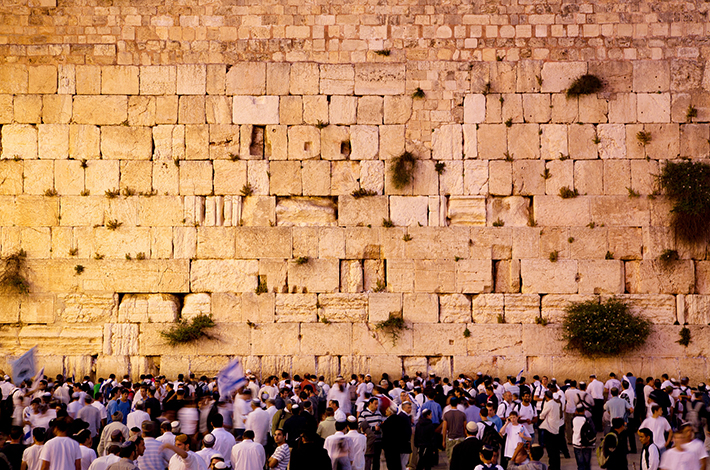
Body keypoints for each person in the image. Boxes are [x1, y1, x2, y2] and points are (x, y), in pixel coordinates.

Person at [539, 391, 563, 470]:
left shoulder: (549, 404)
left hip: (549, 429)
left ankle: (552, 466)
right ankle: (557, 466)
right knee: (556, 450)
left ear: (546, 396)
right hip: (556, 428)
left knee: (551, 450)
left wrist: (541, 416)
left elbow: (542, 415)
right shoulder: (556, 404)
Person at [441, 397, 467, 462]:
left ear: (450, 404)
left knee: (451, 458)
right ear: (457, 404)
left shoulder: (446, 414)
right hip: (460, 438)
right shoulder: (462, 415)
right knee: (460, 459)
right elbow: (464, 428)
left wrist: (443, 440)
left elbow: (445, 429)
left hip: (450, 438)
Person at [571, 406, 592, 470]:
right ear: (584, 410)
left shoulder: (573, 419)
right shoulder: (587, 420)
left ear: (576, 411)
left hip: (576, 443)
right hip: (587, 443)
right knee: (587, 464)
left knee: (580, 464)